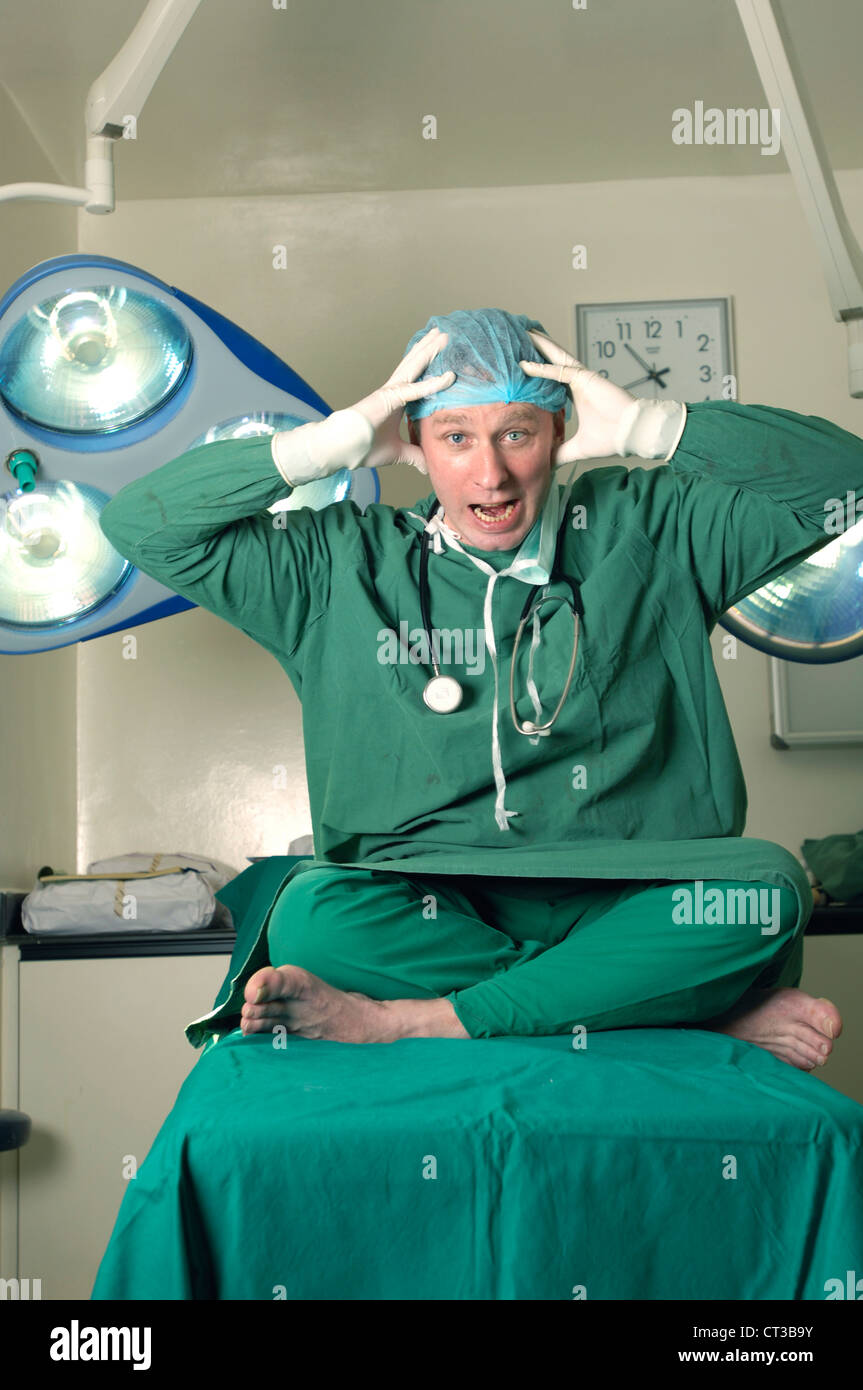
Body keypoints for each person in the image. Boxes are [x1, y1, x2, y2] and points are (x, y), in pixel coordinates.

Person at [100, 308, 857, 1070]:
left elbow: (845, 484)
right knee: (311, 914)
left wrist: (650, 428)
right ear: (414, 445)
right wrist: (324, 446)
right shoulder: (336, 565)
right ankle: (659, 1013)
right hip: (433, 902)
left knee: (763, 890)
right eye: (455, 436)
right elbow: (142, 527)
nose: (489, 473)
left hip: (631, 892)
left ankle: (420, 1019)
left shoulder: (654, 526)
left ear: (559, 434)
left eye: (516, 433)